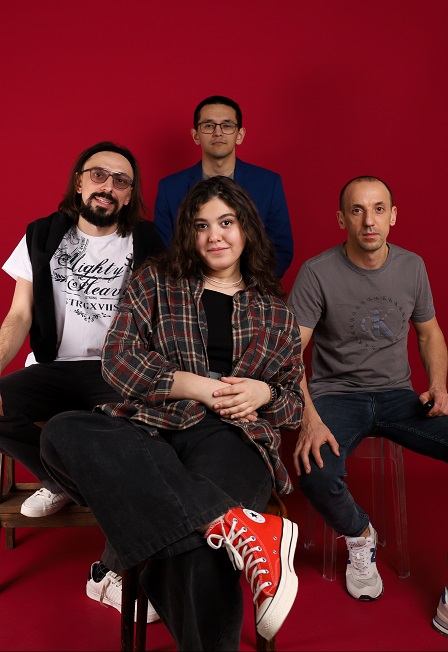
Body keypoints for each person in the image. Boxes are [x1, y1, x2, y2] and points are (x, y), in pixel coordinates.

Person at [40, 176, 304, 651]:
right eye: (201, 226)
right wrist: (197, 387)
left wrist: (264, 392)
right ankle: (237, 525)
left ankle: (206, 534)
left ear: (246, 229)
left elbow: (293, 403)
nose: (214, 236)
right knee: (61, 433)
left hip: (234, 437)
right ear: (188, 233)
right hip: (150, 428)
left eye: (226, 222)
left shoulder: (276, 312)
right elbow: (118, 360)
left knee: (197, 549)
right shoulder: (156, 281)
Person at [0, 141, 164, 621]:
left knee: (134, 450)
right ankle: (62, 479)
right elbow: (18, 317)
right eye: (98, 175)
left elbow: (165, 317)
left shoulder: (149, 242)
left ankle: (108, 572)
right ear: (79, 181)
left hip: (117, 370)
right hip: (52, 366)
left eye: (121, 181)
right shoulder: (41, 235)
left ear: (130, 194)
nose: (108, 187)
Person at [287, 176, 448, 631]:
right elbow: (289, 354)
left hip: (399, 397)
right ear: (342, 219)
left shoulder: (412, 266)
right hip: (337, 396)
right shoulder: (317, 272)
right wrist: (310, 417)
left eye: (378, 209)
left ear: (393, 216)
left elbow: (429, 334)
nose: (369, 220)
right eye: (357, 210)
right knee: (315, 472)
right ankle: (360, 536)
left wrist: (439, 386)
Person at [154, 95, 293, 277]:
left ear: (239, 135)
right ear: (196, 135)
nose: (218, 132)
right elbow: (165, 250)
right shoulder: (170, 188)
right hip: (188, 288)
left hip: (251, 288)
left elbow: (281, 249)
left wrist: (245, 287)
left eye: (227, 126)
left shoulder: (268, 183)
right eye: (208, 125)